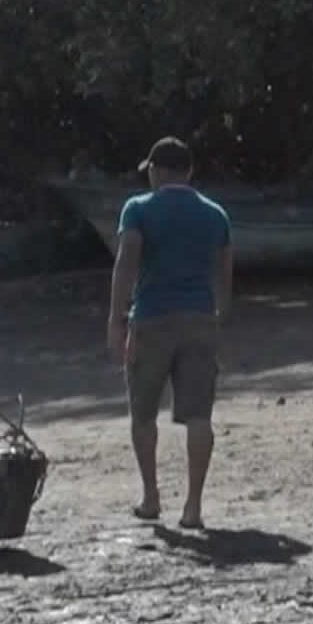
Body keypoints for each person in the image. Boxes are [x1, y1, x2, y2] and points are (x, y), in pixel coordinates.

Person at [106, 136, 232, 530]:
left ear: (158, 171)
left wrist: (116, 318)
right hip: (199, 317)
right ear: (190, 171)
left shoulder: (138, 210)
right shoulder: (215, 214)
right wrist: (218, 317)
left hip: (152, 318)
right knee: (198, 415)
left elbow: (126, 263)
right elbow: (224, 273)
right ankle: (193, 506)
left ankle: (151, 496)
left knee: (143, 412)